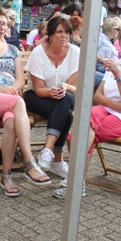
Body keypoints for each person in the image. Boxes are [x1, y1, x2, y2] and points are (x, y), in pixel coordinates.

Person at [53, 23, 121, 198]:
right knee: (88, 116)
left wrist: (119, 75)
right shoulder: (117, 63)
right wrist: (115, 104)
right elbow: (98, 96)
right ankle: (77, 183)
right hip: (107, 111)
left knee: (79, 134)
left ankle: (75, 182)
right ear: (119, 42)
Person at [0, 8, 51, 196]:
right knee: (19, 102)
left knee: (11, 121)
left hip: (9, 99)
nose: (2, 27)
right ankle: (29, 162)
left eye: (4, 24)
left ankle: (6, 176)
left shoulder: (13, 50)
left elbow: (21, 79)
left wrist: (10, 89)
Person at [24, 15, 79, 179]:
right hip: (38, 96)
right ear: (50, 35)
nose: (64, 36)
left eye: (67, 32)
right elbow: (39, 89)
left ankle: (47, 150)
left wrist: (65, 88)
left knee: (66, 99)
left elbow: (73, 87)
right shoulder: (38, 53)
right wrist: (51, 92)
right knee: (66, 113)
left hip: (66, 96)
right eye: (60, 32)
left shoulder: (75, 52)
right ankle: (56, 160)